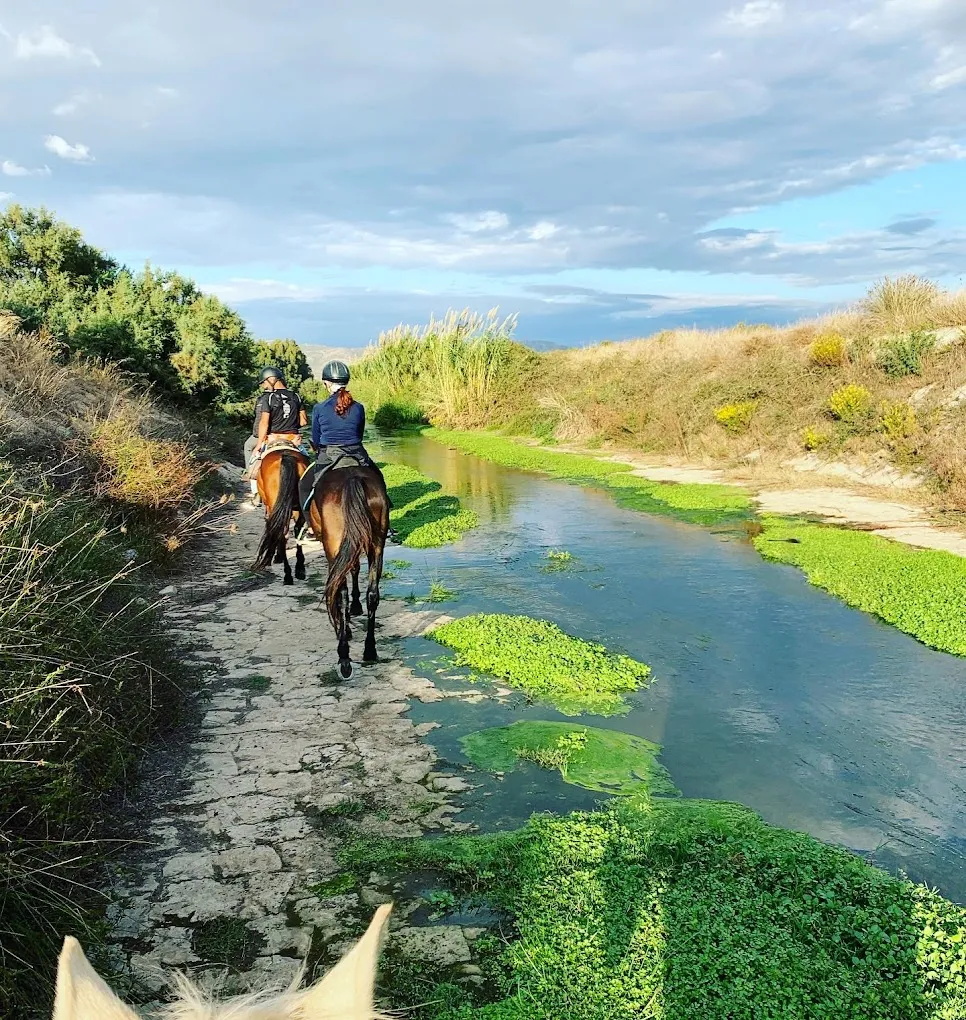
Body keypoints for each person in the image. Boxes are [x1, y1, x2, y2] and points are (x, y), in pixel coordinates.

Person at [299, 360, 395, 534]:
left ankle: (312, 528)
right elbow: (359, 435)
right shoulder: (359, 407)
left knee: (304, 487)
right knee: (379, 479)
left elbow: (316, 438)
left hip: (329, 455)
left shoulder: (319, 408)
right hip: (356, 454)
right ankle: (385, 524)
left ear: (326, 383)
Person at [245, 366, 309, 504]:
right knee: (308, 462)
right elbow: (304, 421)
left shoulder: (269, 398)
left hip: (272, 438)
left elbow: (264, 423)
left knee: (255, 463)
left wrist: (259, 444)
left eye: (265, 382)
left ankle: (256, 493)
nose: (264, 386)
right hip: (292, 439)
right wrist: (290, 424)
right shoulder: (296, 396)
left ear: (271, 379)